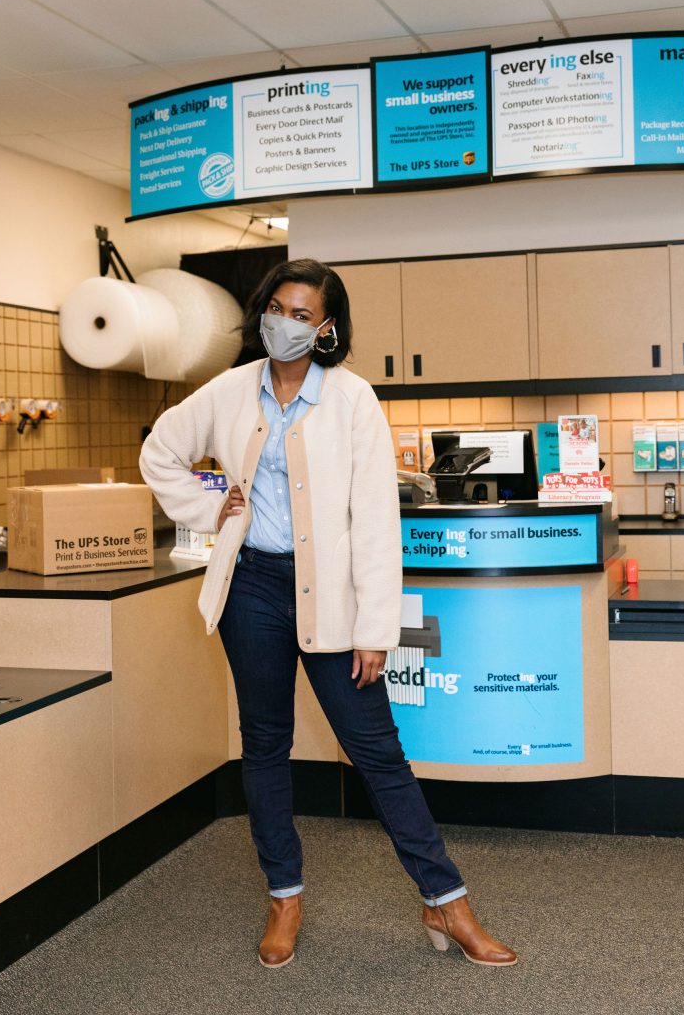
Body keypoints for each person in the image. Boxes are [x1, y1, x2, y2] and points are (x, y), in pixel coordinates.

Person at [140, 258, 516, 970]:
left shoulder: (351, 400)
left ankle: (445, 898)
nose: (284, 322)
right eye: (276, 307)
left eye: (302, 314)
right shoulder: (228, 389)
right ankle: (284, 895)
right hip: (251, 586)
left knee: (376, 751)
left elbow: (375, 521)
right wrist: (208, 506)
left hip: (332, 598)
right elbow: (160, 451)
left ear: (326, 329)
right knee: (265, 744)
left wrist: (376, 628)